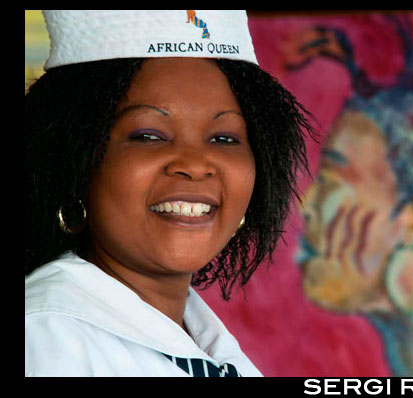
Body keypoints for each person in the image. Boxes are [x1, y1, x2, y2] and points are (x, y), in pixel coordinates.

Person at [25, 10, 314, 377]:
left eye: (224, 139)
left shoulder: (211, 351)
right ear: (74, 164)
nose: (196, 165)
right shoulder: (45, 341)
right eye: (148, 136)